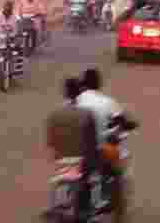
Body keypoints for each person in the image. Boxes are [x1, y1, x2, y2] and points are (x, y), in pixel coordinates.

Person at [45, 76, 100, 220]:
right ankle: (89, 209)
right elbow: (92, 142)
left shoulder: (55, 114)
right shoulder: (87, 114)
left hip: (62, 161)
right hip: (82, 162)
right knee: (92, 172)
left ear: (66, 93)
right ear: (80, 92)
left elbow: (51, 142)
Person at [75, 68, 123, 146]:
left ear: (83, 84)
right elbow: (121, 125)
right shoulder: (109, 102)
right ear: (99, 84)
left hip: (79, 148)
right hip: (102, 149)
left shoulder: (75, 102)